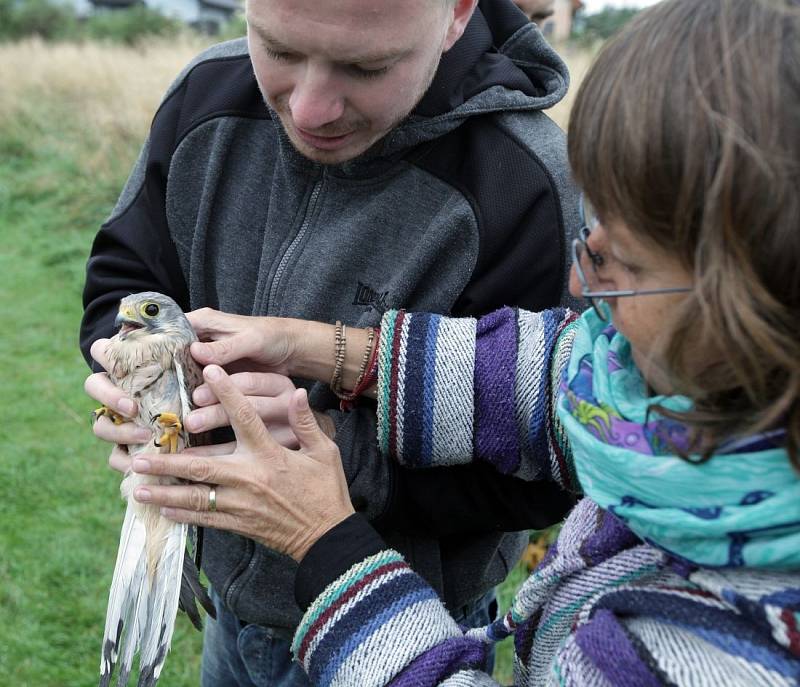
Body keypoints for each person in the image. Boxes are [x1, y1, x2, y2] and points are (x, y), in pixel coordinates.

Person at [120, 0, 800, 683]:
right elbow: (548, 379)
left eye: (624, 263)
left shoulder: (728, 647)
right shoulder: (693, 393)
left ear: (753, 305)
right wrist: (330, 350)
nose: (580, 281)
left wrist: (326, 543)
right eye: (593, 236)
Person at [81, 0, 580, 684]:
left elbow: (552, 461)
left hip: (412, 632)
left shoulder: (521, 181)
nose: (311, 109)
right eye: (278, 51)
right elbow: (127, 275)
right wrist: (129, 364)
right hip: (232, 605)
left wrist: (331, 451)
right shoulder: (205, 95)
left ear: (458, 13)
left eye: (365, 66)